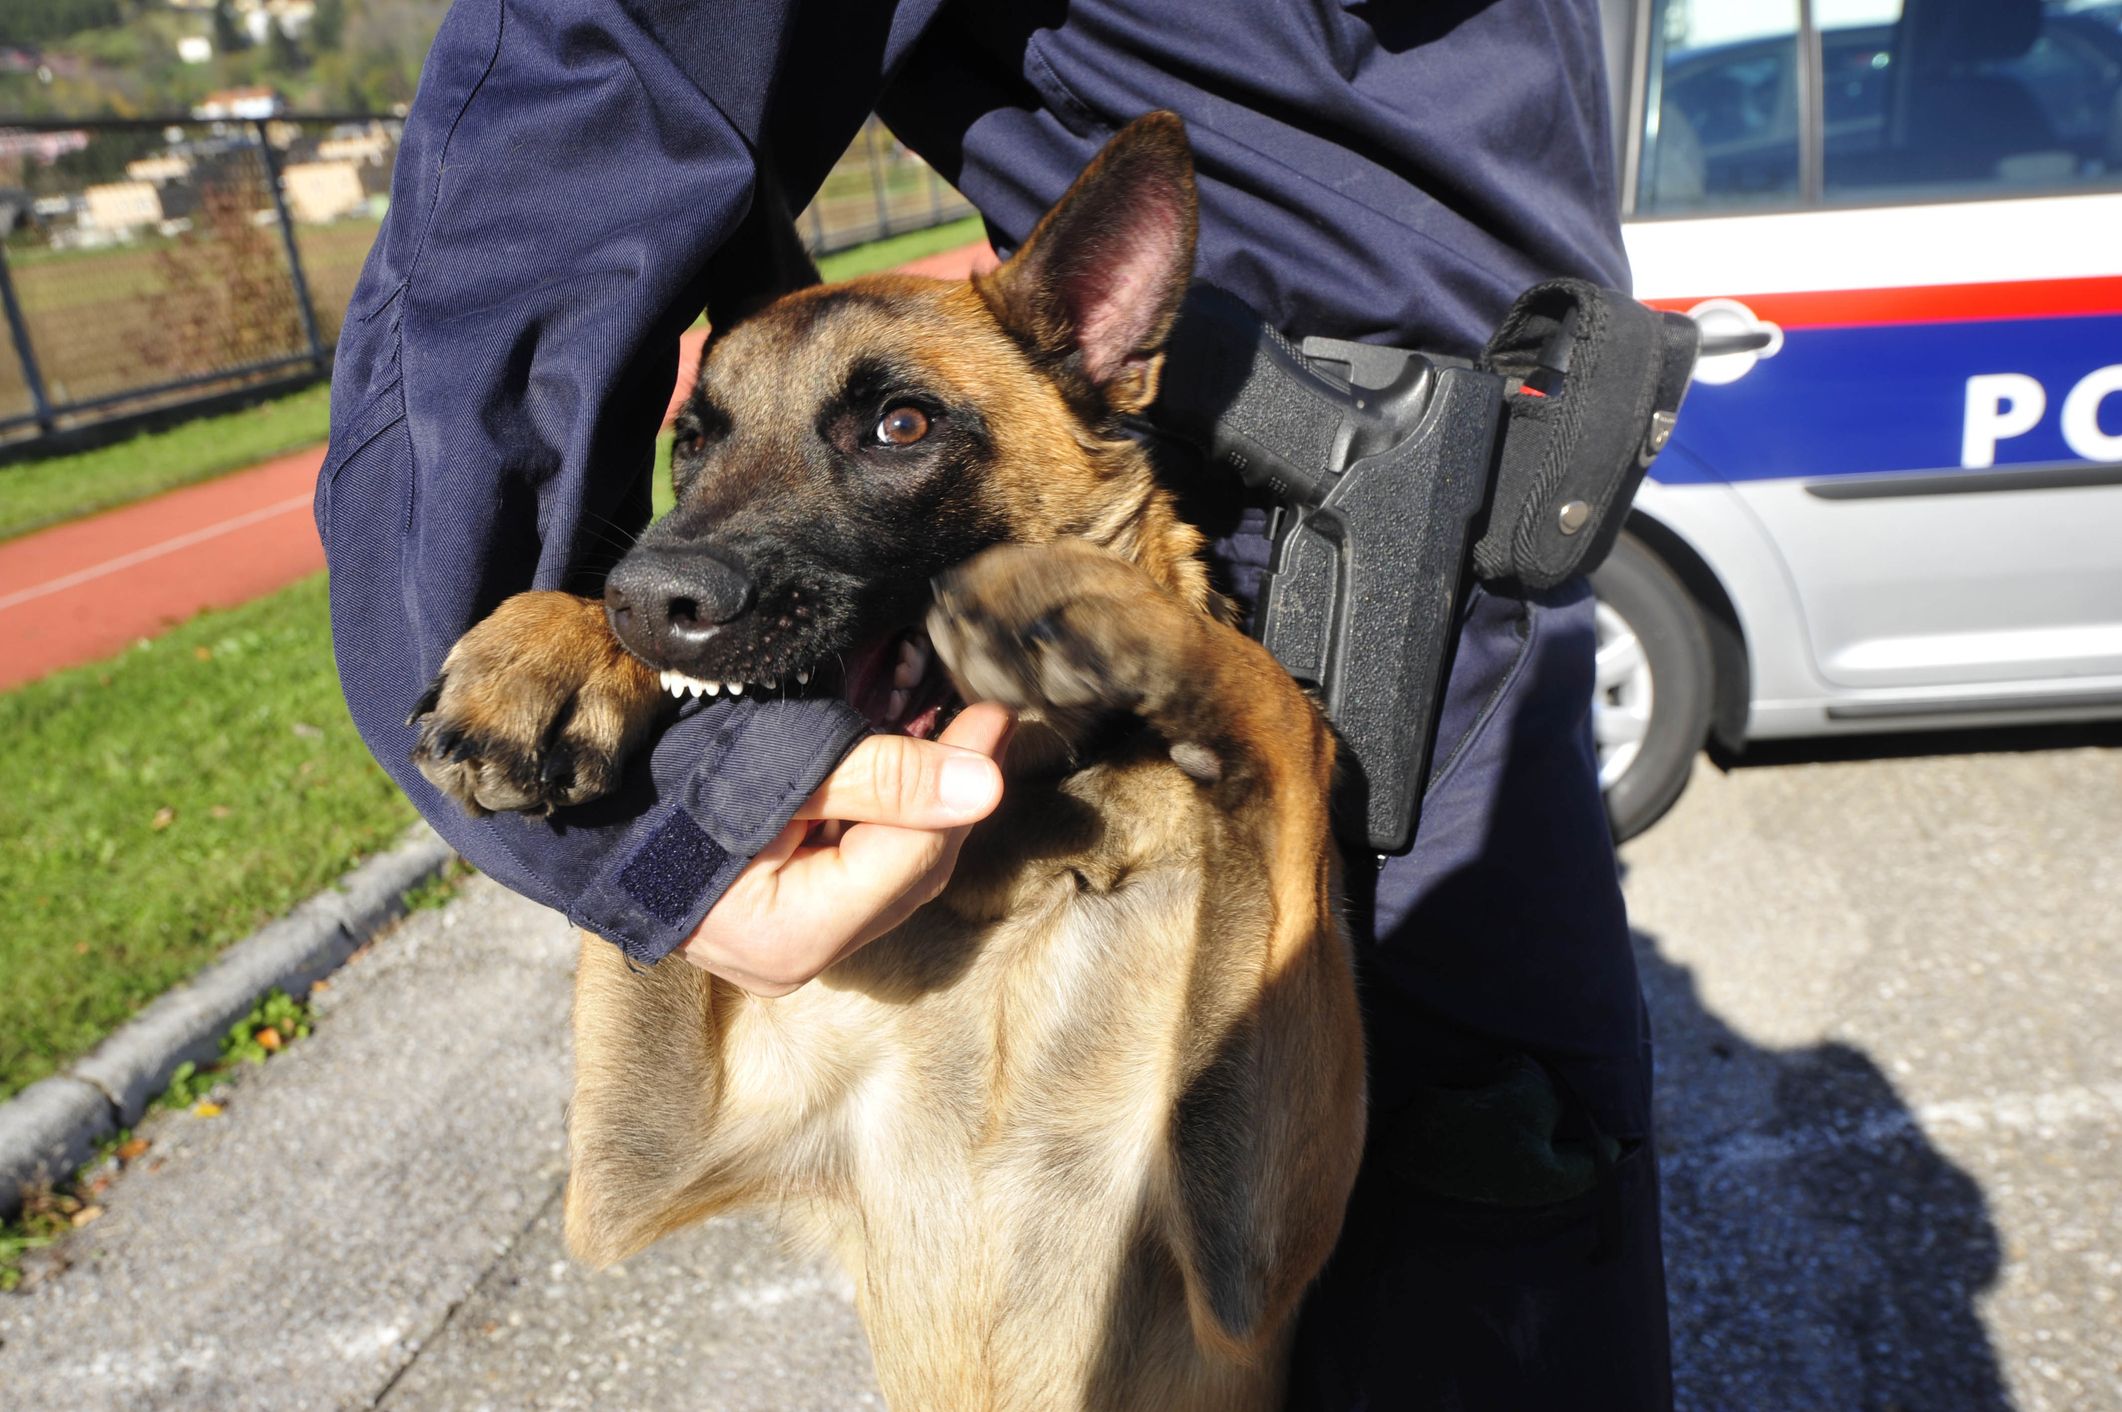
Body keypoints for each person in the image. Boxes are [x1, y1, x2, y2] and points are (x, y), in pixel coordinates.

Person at [318, 1, 1673, 1406]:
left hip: (1442, 636)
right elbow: (629, 1181)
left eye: (899, 424)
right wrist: (632, 742)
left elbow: (1241, 1261)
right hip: (1310, 570)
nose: (702, 520)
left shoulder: (1155, 788)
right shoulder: (870, 847)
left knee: (1504, 1236)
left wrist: (1226, 709)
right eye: (704, 437)